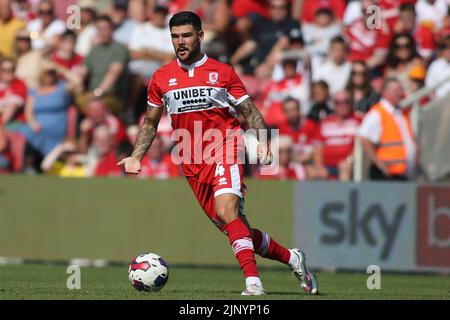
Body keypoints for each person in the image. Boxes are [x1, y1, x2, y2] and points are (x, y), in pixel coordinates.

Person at [117, 11, 318, 296]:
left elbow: (250, 111)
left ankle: (253, 283)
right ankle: (292, 258)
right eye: (175, 37)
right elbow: (150, 121)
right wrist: (137, 155)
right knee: (237, 230)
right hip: (191, 161)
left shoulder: (222, 72)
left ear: (200, 35)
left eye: (186, 35)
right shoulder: (161, 77)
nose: (181, 42)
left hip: (225, 148)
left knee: (226, 210)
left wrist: (262, 141)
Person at [358, 78, 417, 180]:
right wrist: (379, 164)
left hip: (402, 174)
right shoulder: (378, 113)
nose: (400, 93)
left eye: (400, 89)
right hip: (387, 175)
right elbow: (364, 138)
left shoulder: (400, 112)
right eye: (396, 90)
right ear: (385, 92)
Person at [313, 90, 362, 181]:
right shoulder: (324, 122)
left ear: (352, 102)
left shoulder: (359, 120)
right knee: (308, 172)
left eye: (346, 102)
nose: (342, 105)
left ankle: (342, 195)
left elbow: (360, 145)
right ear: (333, 104)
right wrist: (320, 168)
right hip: (327, 166)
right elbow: (318, 148)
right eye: (338, 102)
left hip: (349, 164)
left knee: (344, 169)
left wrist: (349, 160)